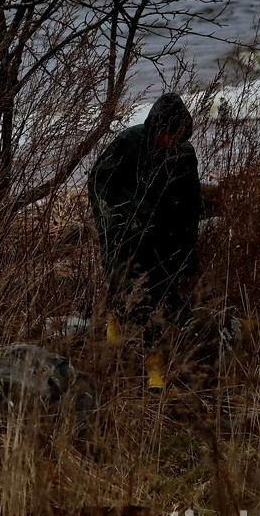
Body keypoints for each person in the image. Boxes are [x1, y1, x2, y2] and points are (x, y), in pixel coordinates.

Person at [87, 92, 203, 391]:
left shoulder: (184, 154)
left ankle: (155, 372)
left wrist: (189, 252)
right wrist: (110, 223)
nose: (168, 139)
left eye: (174, 133)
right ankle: (114, 330)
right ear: (154, 127)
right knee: (123, 290)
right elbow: (98, 180)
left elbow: (192, 206)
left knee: (159, 304)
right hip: (123, 235)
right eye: (165, 133)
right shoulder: (130, 142)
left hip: (164, 240)